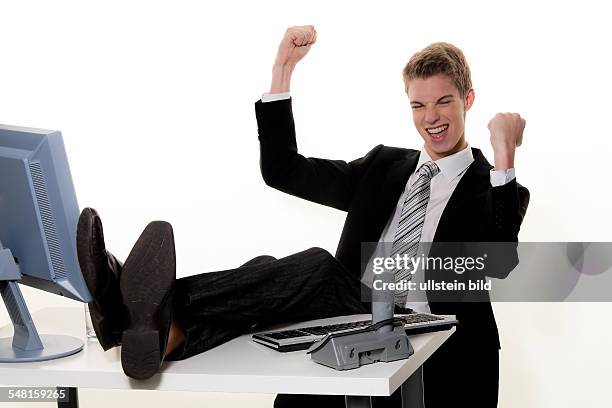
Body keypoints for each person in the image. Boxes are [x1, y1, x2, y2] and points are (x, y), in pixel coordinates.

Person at [78, 25, 529, 407]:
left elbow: (501, 258)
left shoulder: (494, 187)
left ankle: (133, 309)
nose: (430, 117)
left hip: (436, 338)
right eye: (418, 105)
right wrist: (282, 70)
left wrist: (504, 155)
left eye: (443, 102)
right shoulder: (384, 167)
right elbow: (283, 171)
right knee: (267, 275)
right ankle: (165, 328)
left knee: (315, 268)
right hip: (357, 319)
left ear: (468, 98)